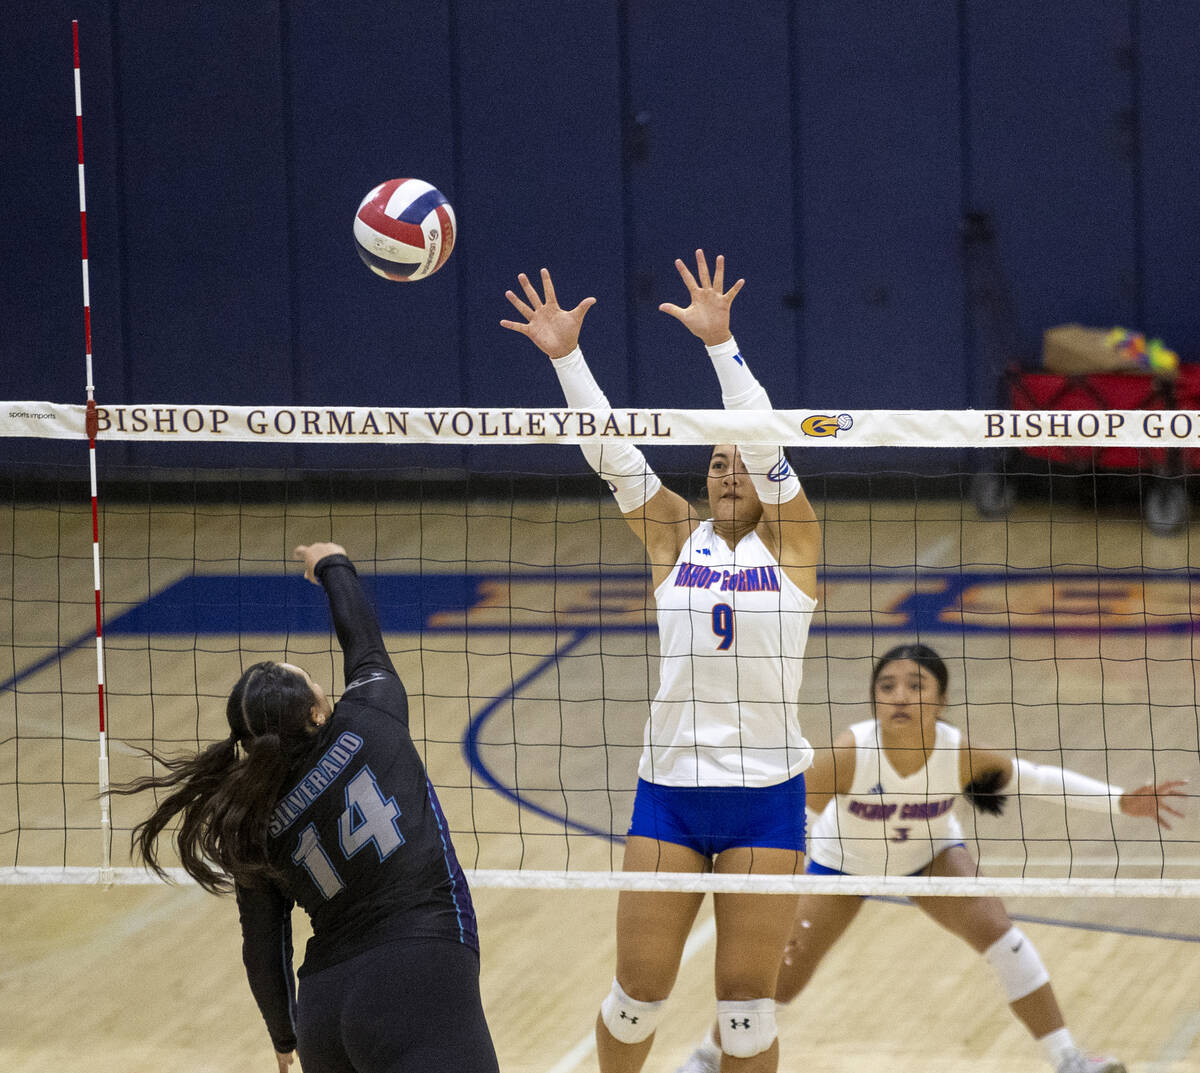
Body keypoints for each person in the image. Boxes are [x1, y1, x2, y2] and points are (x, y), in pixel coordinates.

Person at [501, 251, 821, 1073]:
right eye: (714, 459)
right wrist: (567, 358)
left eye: (738, 460)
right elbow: (614, 459)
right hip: (671, 792)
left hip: (767, 800)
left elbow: (765, 441)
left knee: (746, 1014)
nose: (724, 466)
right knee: (636, 998)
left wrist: (722, 346)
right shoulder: (677, 538)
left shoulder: (796, 546)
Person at [675, 642, 1187, 1073]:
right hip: (842, 865)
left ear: (941, 700)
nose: (900, 696)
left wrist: (1120, 800)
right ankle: (704, 1056)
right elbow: (789, 819)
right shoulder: (851, 753)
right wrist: (784, 899)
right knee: (784, 973)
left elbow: (1033, 779)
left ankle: (1070, 1059)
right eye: (887, 686)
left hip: (931, 855)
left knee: (1001, 935)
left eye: (916, 685)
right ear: (874, 699)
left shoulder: (957, 752)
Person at [115, 542, 500, 1073]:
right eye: (317, 685)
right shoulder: (371, 717)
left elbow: (264, 945)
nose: (326, 688)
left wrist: (284, 1034)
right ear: (318, 714)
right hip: (419, 976)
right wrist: (332, 564)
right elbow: (363, 641)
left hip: (326, 1011)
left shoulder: (249, 822)